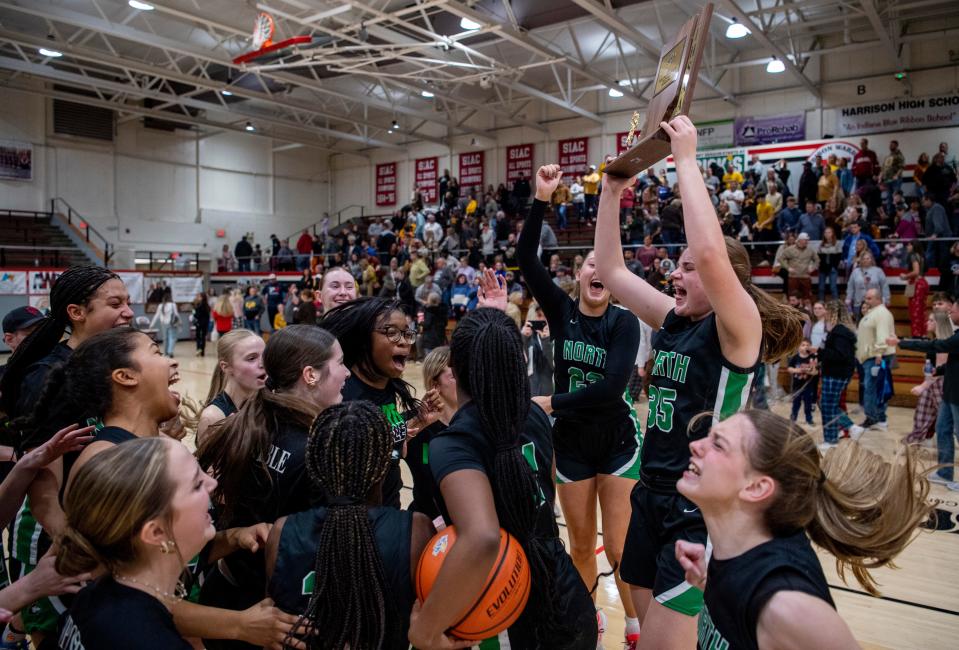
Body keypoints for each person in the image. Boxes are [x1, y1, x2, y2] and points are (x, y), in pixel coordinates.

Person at [594, 116, 803, 649]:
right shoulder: (675, 320)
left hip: (701, 506)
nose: (676, 274)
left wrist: (686, 157)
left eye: (687, 269)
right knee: (649, 622)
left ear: (719, 281)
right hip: (653, 491)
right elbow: (614, 273)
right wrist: (612, 193)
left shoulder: (737, 331)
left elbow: (711, 254)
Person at [408, 308, 597, 650]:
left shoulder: (452, 443)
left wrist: (424, 631)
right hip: (565, 590)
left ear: (457, 368)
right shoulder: (537, 415)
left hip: (502, 602)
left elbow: (482, 538)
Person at [674, 410, 931, 650]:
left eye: (718, 444)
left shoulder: (788, 607)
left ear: (757, 488)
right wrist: (710, 581)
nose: (696, 445)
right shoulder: (736, 555)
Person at [519, 164, 643, 646]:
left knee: (619, 545)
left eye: (604, 265)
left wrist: (552, 400)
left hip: (616, 439)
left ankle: (635, 624)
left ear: (614, 277)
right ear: (579, 275)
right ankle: (587, 618)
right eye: (589, 263)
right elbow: (526, 259)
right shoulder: (561, 310)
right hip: (570, 443)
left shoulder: (624, 323)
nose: (596, 270)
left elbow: (612, 389)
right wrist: (541, 198)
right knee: (579, 546)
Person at [0, 266, 133, 648]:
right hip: (54, 530)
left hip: (99, 522)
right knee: (50, 630)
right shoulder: (48, 376)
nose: (128, 311)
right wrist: (77, 547)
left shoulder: (111, 364)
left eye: (127, 301)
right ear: (77, 312)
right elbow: (42, 489)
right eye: (115, 303)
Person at [196, 326, 350, 644]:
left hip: (228, 593)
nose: (347, 373)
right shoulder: (318, 450)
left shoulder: (250, 421)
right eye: (340, 363)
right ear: (310, 375)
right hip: (273, 618)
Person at [264, 401, 435, 649]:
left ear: (316, 464)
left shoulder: (282, 531)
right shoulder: (416, 530)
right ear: (382, 466)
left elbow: (271, 626)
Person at [56, 438, 214, 649]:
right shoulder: (150, 641)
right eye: (197, 485)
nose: (212, 484)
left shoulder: (92, 596)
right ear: (156, 532)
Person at [320, 297, 440, 510]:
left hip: (388, 509)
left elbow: (387, 441)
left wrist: (416, 421)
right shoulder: (345, 398)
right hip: (360, 519)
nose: (403, 341)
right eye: (391, 332)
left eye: (406, 333)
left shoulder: (386, 386)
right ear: (364, 338)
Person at [888, 299, 959, 491]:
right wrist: (941, 370)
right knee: (943, 430)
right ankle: (945, 473)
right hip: (950, 392)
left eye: (953, 310)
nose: (950, 313)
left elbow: (936, 345)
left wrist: (901, 342)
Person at [196, 329, 266, 446]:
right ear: (226, 367)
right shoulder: (213, 417)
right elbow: (209, 464)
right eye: (251, 358)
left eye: (265, 356)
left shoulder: (268, 400)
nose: (262, 364)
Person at [903, 311, 951, 444]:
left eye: (931, 320)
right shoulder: (935, 340)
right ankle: (915, 441)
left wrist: (924, 385)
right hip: (932, 382)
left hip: (941, 384)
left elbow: (941, 370)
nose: (927, 323)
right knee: (922, 413)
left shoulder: (944, 342)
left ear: (939, 323)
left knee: (947, 417)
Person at [787, 339, 819, 425]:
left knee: (808, 404)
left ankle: (809, 419)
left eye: (807, 345)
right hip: (797, 386)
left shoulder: (812, 358)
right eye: (803, 345)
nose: (805, 347)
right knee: (796, 403)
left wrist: (808, 371)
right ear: (798, 347)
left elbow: (815, 372)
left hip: (808, 386)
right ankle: (793, 419)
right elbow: (789, 368)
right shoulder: (795, 357)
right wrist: (798, 370)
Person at [846, 252, 888, 317]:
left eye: (868, 258)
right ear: (861, 260)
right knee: (859, 324)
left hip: (875, 303)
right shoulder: (855, 272)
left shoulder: (878, 271)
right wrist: (849, 298)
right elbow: (850, 286)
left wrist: (886, 298)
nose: (865, 260)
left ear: (871, 259)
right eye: (863, 259)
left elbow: (884, 285)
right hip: (859, 303)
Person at [150, 288, 179, 358]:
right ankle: (170, 351)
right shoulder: (173, 305)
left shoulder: (161, 306)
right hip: (171, 323)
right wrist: (179, 322)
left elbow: (156, 315)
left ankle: (166, 352)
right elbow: (176, 314)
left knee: (165, 338)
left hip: (163, 323)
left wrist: (152, 324)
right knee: (172, 337)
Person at [817, 227, 842, 301]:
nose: (827, 234)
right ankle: (821, 301)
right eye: (825, 233)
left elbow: (839, 257)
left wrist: (834, 266)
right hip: (823, 268)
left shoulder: (837, 244)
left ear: (832, 233)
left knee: (833, 287)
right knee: (821, 287)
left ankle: (836, 303)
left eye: (829, 232)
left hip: (832, 268)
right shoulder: (821, 244)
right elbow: (818, 257)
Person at [193, 292, 211, 357]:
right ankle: (202, 351)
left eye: (200, 296)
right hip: (205, 323)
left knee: (198, 337)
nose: (198, 298)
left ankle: (198, 349)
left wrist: (194, 312)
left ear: (202, 297)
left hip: (199, 323)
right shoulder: (207, 306)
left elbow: (196, 315)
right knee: (203, 337)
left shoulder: (199, 306)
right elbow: (208, 316)